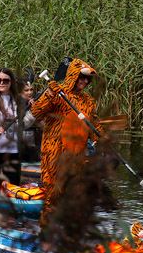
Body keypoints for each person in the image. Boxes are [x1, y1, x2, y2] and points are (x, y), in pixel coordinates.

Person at [28, 59, 97, 230]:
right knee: (53, 193)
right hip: (54, 151)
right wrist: (49, 94)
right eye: (82, 77)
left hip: (76, 154)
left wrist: (99, 137)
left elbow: (93, 124)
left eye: (88, 79)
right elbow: (36, 112)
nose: (85, 82)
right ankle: (46, 230)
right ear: (73, 75)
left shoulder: (89, 101)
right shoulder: (58, 94)